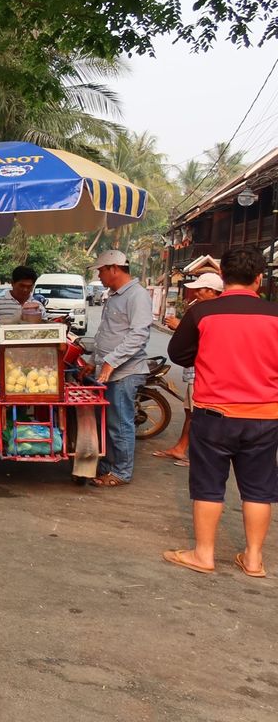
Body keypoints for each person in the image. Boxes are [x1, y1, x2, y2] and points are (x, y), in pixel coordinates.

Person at [163, 247, 278, 577]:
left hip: (214, 413)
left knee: (209, 485)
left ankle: (204, 554)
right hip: (265, 416)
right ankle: (254, 559)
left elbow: (180, 354)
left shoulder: (202, 313)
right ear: (259, 279)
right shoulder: (275, 314)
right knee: (259, 488)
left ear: (223, 277)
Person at [82, 249, 152, 487]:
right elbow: (106, 333)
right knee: (108, 421)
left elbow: (138, 335)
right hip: (108, 370)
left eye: (101, 271)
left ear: (114, 268)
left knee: (120, 422)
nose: (99, 276)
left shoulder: (137, 295)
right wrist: (93, 361)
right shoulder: (114, 295)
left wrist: (111, 361)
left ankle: (121, 471)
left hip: (125, 372)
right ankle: (107, 465)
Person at [153, 272, 223, 465]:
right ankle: (181, 448)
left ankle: (197, 456)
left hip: (202, 372)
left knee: (200, 415)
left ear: (211, 291)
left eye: (200, 290)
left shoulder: (210, 313)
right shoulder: (202, 310)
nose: (196, 293)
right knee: (190, 413)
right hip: (193, 370)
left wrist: (179, 326)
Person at [0, 266, 44, 332]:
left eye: (29, 286)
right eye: (22, 286)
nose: (25, 289)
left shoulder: (39, 306)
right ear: (12, 283)